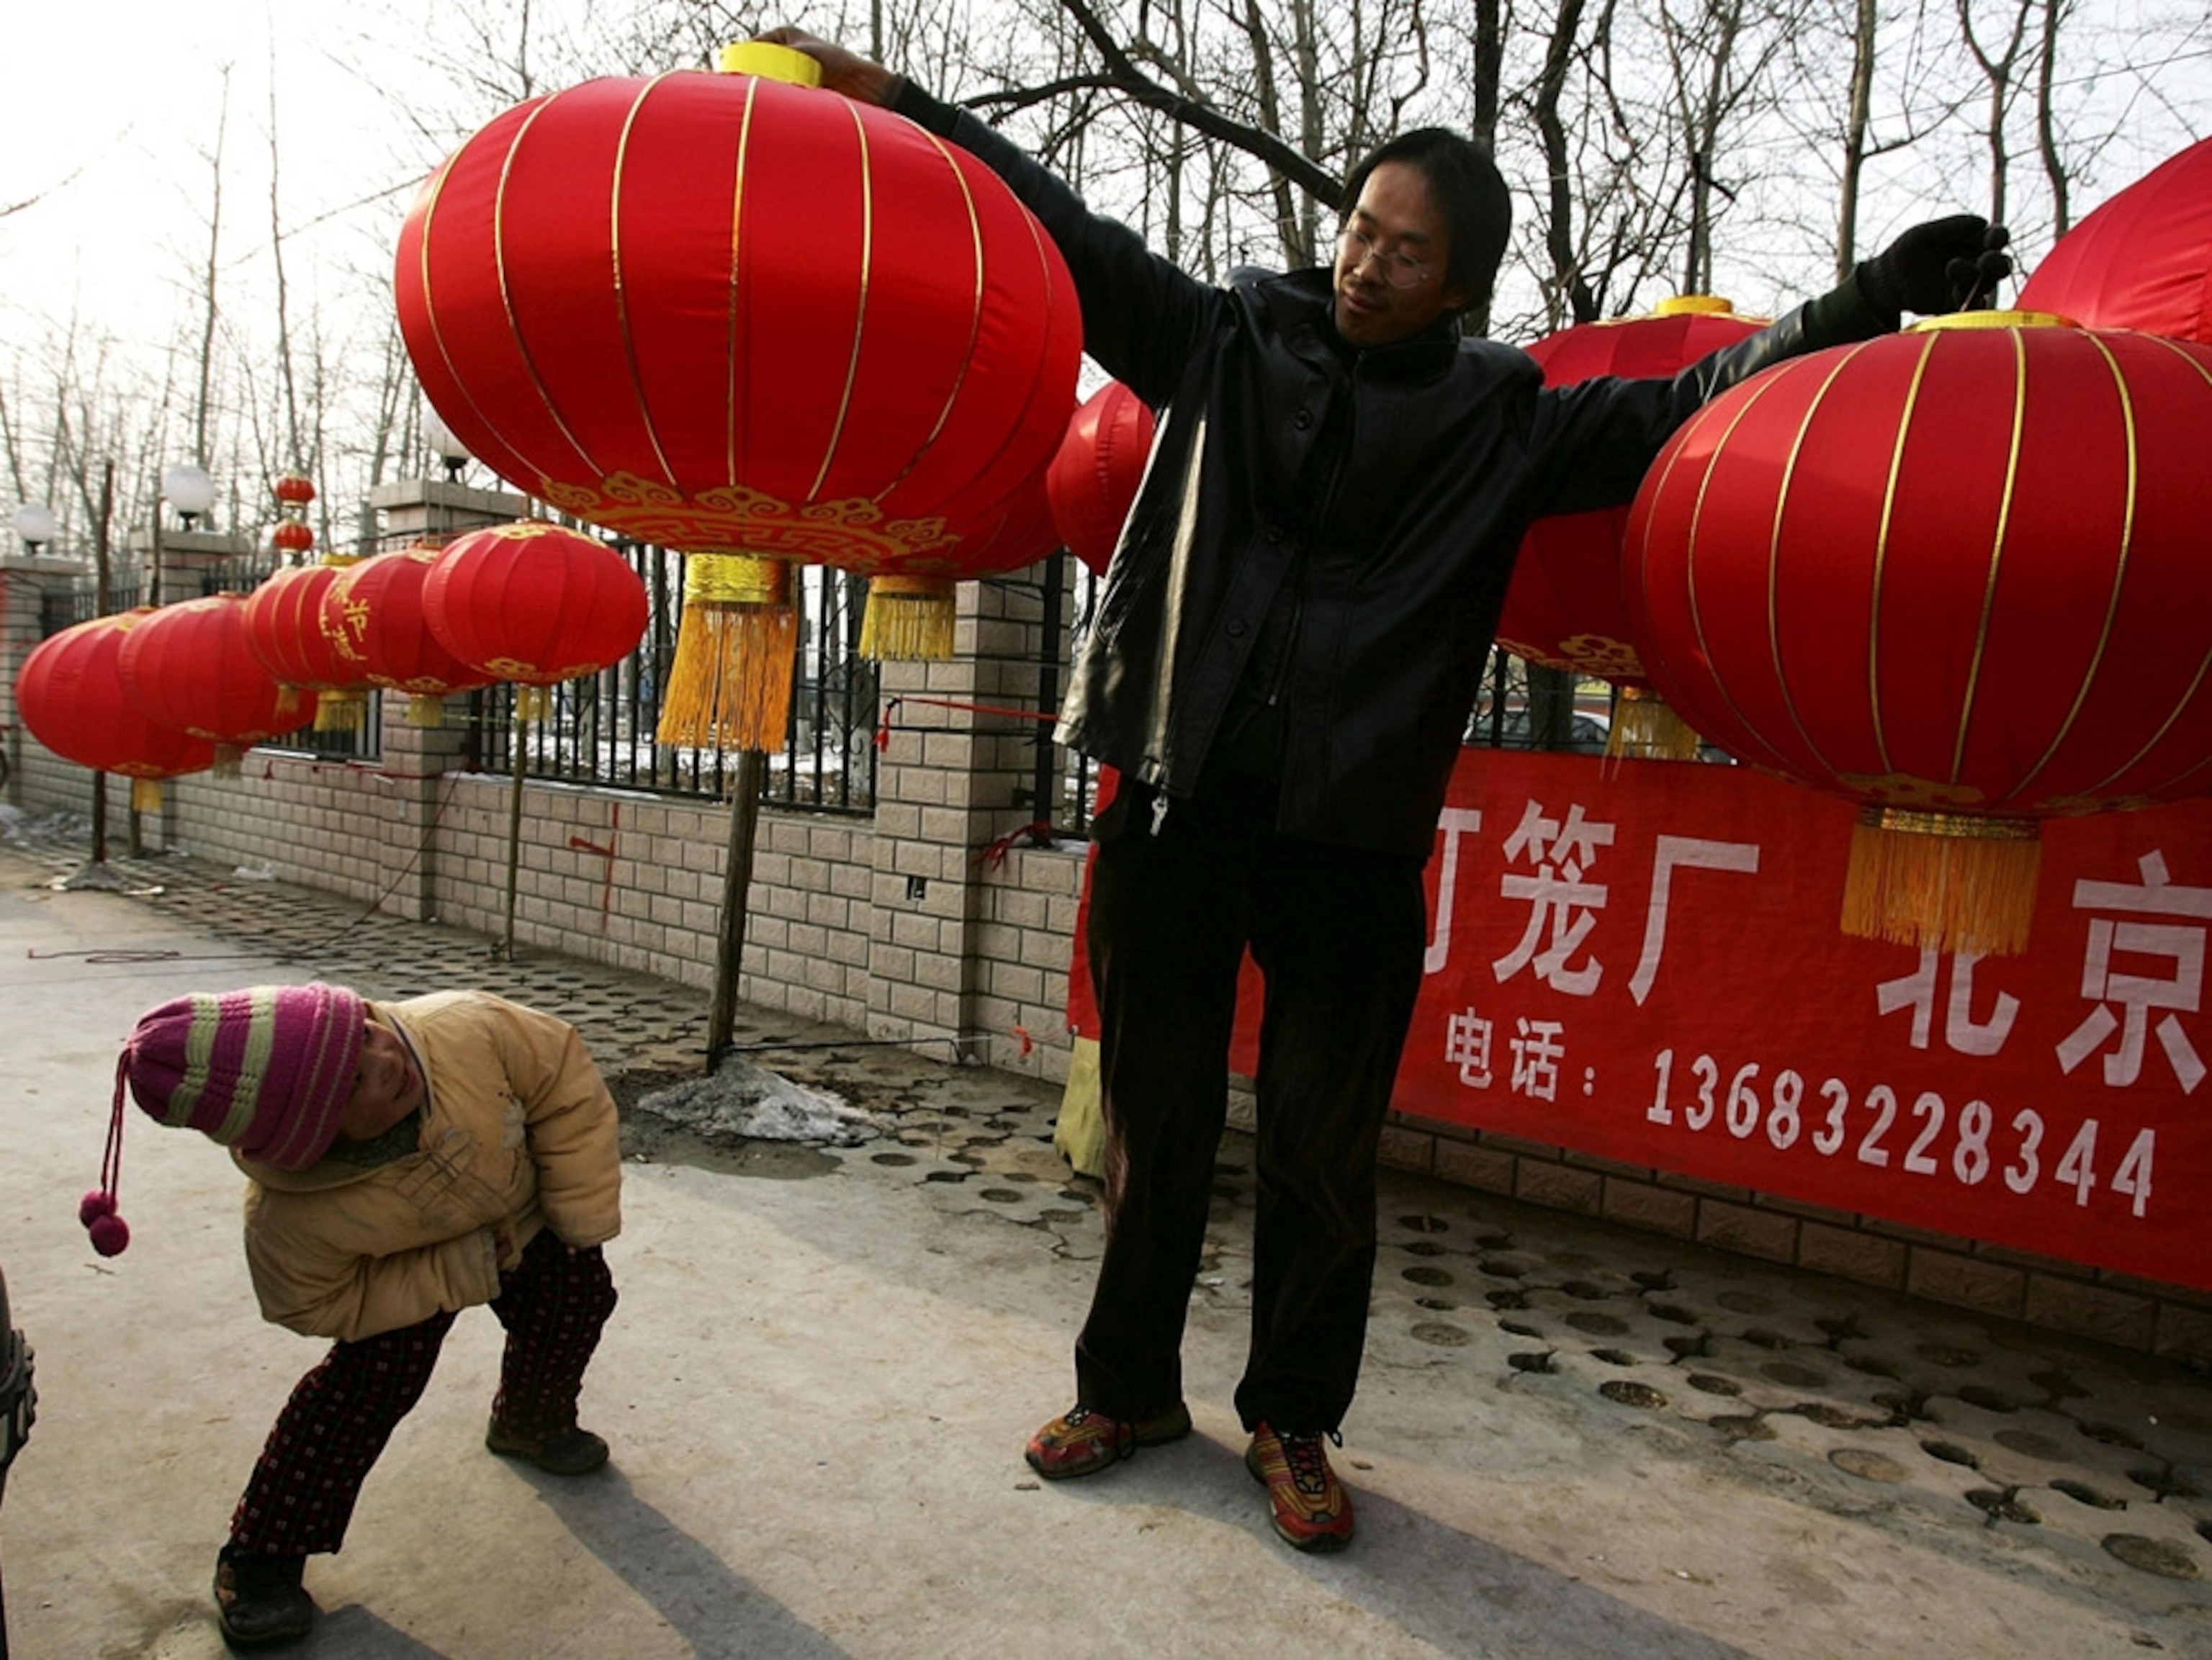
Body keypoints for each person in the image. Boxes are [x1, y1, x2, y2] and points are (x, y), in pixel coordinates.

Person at [764, 25, 2008, 1554]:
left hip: (1349, 841)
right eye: (1361, 228)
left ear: (1459, 286)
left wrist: (1868, 296)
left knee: (1318, 1147)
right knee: (1154, 1116)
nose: (1365, 264)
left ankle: (1291, 1421)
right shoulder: (1222, 342)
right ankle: (1125, 1389)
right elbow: (1068, 236)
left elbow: (1698, 395)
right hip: (1178, 801)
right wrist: (907, 104)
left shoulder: (1503, 419)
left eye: (1405, 253)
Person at [84, 982, 623, 1647]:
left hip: (522, 1211)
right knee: (365, 1389)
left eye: (364, 1032)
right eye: (353, 1083)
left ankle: (531, 1421)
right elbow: (313, 1302)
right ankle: (261, 1557)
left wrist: (577, 1214)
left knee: (576, 1298)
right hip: (405, 1265)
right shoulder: (291, 1221)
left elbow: (564, 1084)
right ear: (315, 1140)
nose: (387, 1060)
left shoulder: (469, 1029)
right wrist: (454, 1269)